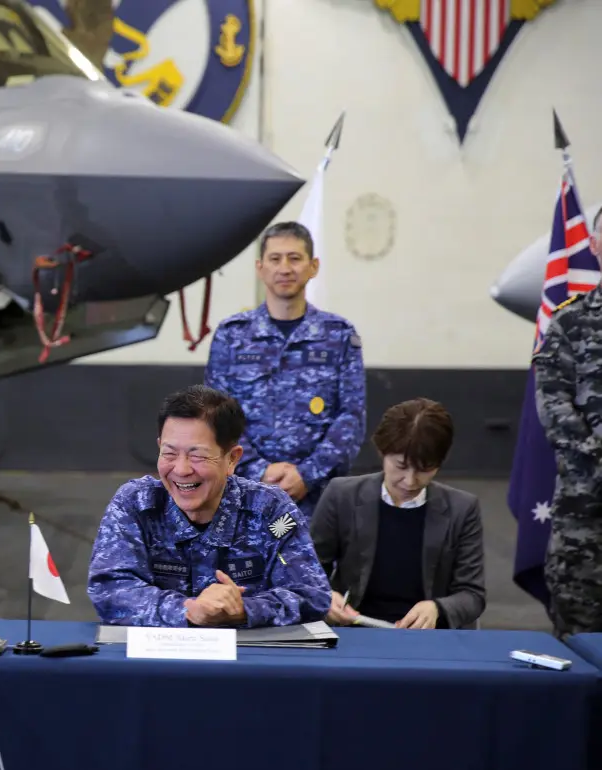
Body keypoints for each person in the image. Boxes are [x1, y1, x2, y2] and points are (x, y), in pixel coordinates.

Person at [87, 385, 331, 628]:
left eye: (198, 456)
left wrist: (244, 610)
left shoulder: (270, 510)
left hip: (245, 661)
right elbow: (109, 589)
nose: (181, 470)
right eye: (169, 453)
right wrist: (189, 610)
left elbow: (312, 595)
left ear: (232, 458)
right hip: (157, 661)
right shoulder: (136, 504)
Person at [204, 221, 366, 518]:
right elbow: (215, 416)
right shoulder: (232, 335)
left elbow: (351, 418)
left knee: (314, 565)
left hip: (319, 501)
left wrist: (307, 474)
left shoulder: (339, 335)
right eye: (275, 259)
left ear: (313, 266)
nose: (285, 268)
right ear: (260, 267)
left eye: (295, 258)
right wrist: (260, 471)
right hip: (244, 497)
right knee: (242, 566)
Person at [311, 399, 486, 629]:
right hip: (354, 629)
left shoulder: (462, 509)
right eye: (401, 466)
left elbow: (472, 594)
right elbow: (307, 568)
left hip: (430, 636)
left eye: (425, 469)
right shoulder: (342, 495)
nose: (410, 481)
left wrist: (438, 608)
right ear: (382, 452)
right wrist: (325, 595)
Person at [532, 209, 602, 638]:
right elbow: (553, 406)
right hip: (586, 517)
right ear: (594, 246)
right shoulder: (571, 321)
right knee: (580, 638)